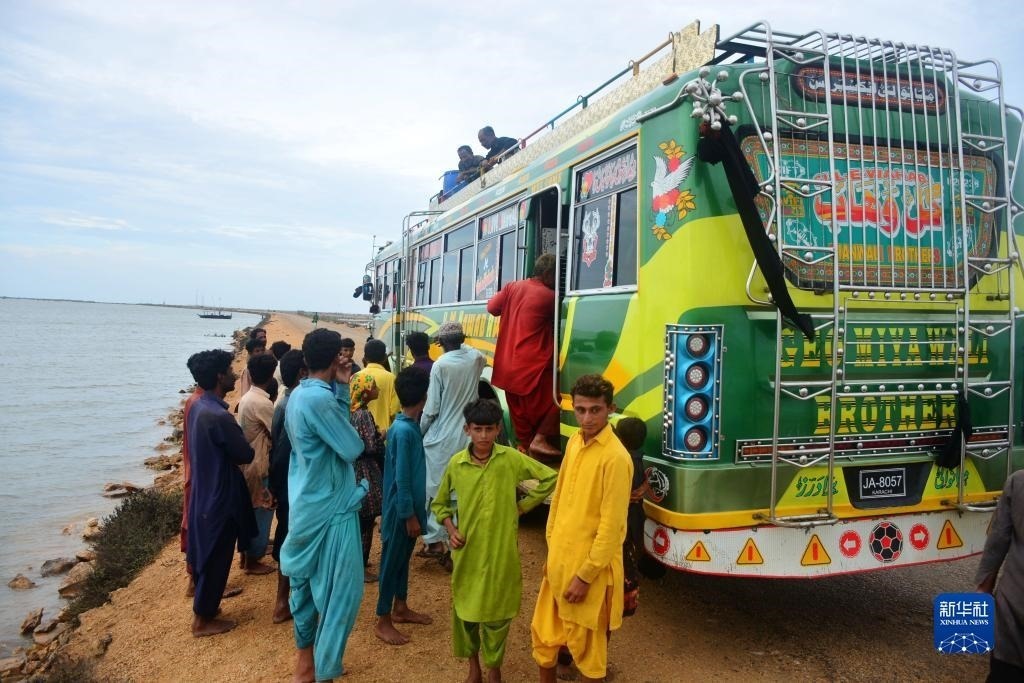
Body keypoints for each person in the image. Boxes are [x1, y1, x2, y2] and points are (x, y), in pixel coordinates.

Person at [432, 399, 557, 683]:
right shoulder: (457, 464)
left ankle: (494, 667)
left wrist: (523, 506)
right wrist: (451, 529)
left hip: (502, 551)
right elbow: (439, 504)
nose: (484, 435)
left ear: (499, 429)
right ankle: (473, 666)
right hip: (468, 551)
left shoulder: (510, 458)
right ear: (467, 430)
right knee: (466, 612)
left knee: (499, 614)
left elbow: (549, 478)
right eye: (478, 429)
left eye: (489, 429)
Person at [531, 374, 631, 683]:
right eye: (581, 410)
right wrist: (552, 550)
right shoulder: (574, 441)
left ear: (610, 409)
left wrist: (585, 577)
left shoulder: (616, 458)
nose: (587, 418)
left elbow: (611, 529)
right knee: (544, 641)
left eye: (595, 410)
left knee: (589, 656)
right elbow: (559, 499)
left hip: (590, 574)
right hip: (559, 564)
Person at [280, 328, 367, 682]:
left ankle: (306, 663)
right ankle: (324, 671)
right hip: (331, 509)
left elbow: (331, 438)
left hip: (306, 501)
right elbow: (352, 447)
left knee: (304, 588)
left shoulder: (298, 395)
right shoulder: (320, 400)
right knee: (341, 595)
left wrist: (342, 388)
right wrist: (341, 391)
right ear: (336, 359)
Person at [185, 349, 256, 637]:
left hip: (205, 492)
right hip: (220, 495)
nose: (234, 375)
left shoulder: (199, 406)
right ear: (218, 376)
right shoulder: (218, 416)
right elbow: (245, 454)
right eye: (229, 370)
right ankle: (202, 620)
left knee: (209, 553)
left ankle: (208, 609)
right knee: (217, 555)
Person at [375, 367, 434, 646]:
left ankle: (400, 606)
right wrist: (408, 514)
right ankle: (382, 619)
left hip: (406, 510)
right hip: (400, 512)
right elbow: (402, 478)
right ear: (424, 397)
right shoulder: (403, 431)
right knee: (391, 563)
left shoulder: (406, 427)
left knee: (401, 560)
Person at [420, 321, 486, 562]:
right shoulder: (475, 358)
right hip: (468, 434)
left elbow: (432, 408)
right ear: (462, 339)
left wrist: (420, 431)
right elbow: (476, 354)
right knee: (460, 489)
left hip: (443, 437)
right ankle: (457, 542)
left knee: (437, 489)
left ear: (441, 343)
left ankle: (436, 541)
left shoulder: (441, 365)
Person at [487, 253, 560, 459]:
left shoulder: (512, 287)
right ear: (549, 274)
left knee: (520, 419)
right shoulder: (549, 296)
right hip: (531, 366)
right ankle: (540, 439)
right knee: (560, 399)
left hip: (506, 368)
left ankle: (527, 450)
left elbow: (492, 308)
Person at [269, 349, 306, 624]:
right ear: (302, 373)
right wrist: (279, 487)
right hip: (290, 484)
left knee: (288, 536)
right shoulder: (293, 404)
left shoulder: (285, 401)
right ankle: (282, 602)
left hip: (286, 483)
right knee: (289, 538)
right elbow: (282, 452)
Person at [976, 469, 1024, 681]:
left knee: (1005, 672)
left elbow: (997, 541)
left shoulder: (1018, 482)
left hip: (1013, 608)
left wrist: (983, 589)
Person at [236, 352, 278, 575]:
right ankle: (253, 559)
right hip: (259, 463)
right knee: (262, 509)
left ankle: (247, 557)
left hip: (248, 462)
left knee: (251, 510)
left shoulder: (247, 398)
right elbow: (276, 432)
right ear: (271, 375)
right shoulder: (263, 403)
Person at [349, 373, 385, 582]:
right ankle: (360, 565)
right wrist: (382, 436)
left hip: (354, 469)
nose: (377, 389)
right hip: (365, 469)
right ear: (365, 392)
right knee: (366, 518)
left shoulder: (351, 412)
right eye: (373, 386)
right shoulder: (363, 414)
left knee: (359, 518)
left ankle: (358, 561)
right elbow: (370, 446)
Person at [180, 353, 205, 595]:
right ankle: (196, 582)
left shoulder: (193, 402)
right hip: (198, 475)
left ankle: (195, 580)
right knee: (199, 529)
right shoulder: (199, 404)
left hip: (193, 471)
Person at [353, 339, 400, 430]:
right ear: (385, 358)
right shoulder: (391, 378)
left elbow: (351, 407)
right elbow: (395, 411)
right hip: (383, 434)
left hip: (360, 432)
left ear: (365, 358)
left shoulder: (356, 377)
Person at [237, 335, 267, 405]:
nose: (260, 353)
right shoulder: (247, 370)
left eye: (262, 350)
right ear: (250, 353)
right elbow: (245, 391)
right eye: (257, 351)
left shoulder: (263, 366)